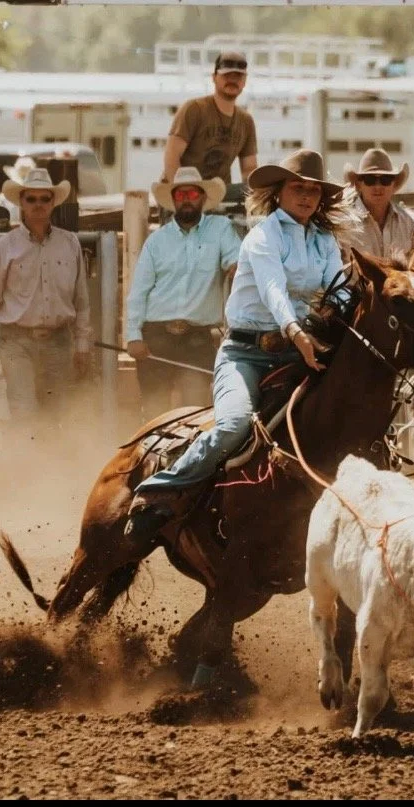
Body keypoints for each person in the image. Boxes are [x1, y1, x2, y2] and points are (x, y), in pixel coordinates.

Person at [125, 149, 346, 536]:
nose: (307, 196)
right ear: (279, 192)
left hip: (297, 352)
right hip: (247, 351)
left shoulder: (324, 240)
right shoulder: (263, 236)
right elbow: (273, 288)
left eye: (314, 190)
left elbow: (336, 292)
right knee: (233, 425)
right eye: (298, 188)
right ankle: (158, 489)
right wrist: (296, 330)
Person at [0, 168, 91, 428]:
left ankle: (44, 466)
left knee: (56, 413)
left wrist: (82, 344)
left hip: (59, 339)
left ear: (53, 203)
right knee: (24, 409)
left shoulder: (70, 244)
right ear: (22, 203)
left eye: (44, 199)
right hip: (17, 340)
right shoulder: (4, 247)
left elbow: (81, 300)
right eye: (32, 200)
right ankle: (28, 465)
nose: (38, 205)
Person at [126, 167, 242, 419]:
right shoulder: (157, 241)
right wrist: (133, 335)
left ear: (202, 197)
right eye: (180, 194)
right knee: (155, 411)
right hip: (156, 334)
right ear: (174, 200)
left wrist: (237, 268)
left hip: (197, 339)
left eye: (191, 193)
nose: (186, 198)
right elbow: (139, 292)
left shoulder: (221, 229)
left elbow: (237, 265)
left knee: (195, 411)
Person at [340, 148, 414, 285]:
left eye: (385, 180)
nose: (378, 187)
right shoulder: (343, 223)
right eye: (370, 180)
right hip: (355, 299)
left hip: (401, 300)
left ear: (393, 185)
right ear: (359, 184)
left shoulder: (410, 223)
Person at [162, 52, 258, 184]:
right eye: (226, 75)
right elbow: (171, 156)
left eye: (238, 76)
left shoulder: (246, 121)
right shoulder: (194, 109)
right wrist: (180, 192)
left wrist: (256, 196)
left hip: (219, 193)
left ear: (245, 81)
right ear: (214, 77)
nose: (232, 80)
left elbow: (249, 168)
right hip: (185, 192)